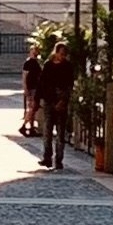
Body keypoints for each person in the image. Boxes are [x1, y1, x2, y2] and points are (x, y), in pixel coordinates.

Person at [36, 40, 77, 170]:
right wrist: (37, 100)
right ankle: (47, 158)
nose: (62, 56)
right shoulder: (48, 65)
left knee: (60, 133)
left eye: (64, 54)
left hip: (61, 100)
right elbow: (42, 83)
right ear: (56, 52)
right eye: (61, 54)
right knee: (47, 131)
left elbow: (69, 85)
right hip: (49, 100)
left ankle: (59, 160)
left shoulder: (68, 66)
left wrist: (63, 101)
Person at [20, 44, 44, 138]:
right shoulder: (28, 62)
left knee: (33, 109)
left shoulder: (37, 62)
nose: (35, 53)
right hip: (31, 88)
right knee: (32, 108)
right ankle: (24, 125)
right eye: (33, 51)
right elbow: (24, 76)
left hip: (36, 88)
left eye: (36, 51)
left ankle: (31, 127)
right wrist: (25, 88)